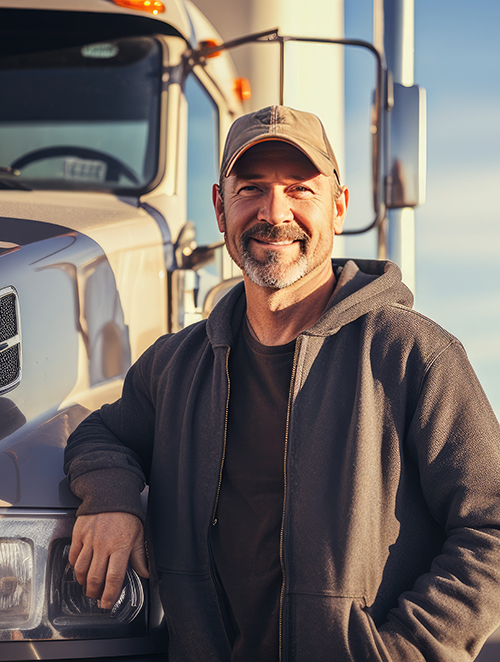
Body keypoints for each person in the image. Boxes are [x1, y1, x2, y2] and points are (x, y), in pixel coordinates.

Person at [64, 105, 500, 662]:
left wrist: (402, 652)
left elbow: (489, 527)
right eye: (251, 188)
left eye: (300, 190)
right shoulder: (176, 364)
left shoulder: (414, 355)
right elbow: (101, 434)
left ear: (338, 208)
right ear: (221, 209)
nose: (276, 212)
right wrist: (111, 499)